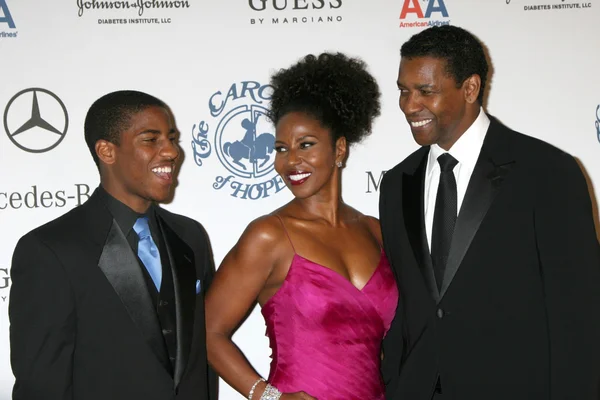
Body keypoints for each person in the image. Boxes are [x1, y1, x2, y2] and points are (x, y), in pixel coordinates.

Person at [379, 25, 600, 400]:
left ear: (470, 88)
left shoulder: (547, 171)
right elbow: (410, 305)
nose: (408, 105)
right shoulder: (398, 182)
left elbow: (579, 314)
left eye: (425, 91)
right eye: (403, 90)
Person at [205, 52, 398, 400]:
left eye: (306, 144)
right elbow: (207, 333)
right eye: (281, 148)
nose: (291, 160)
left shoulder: (376, 231)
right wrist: (268, 397)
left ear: (339, 149)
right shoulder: (269, 235)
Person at [9, 90, 216, 400]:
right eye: (151, 139)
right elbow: (41, 386)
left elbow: (203, 356)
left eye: (171, 138)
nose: (171, 152)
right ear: (107, 151)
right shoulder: (50, 249)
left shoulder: (190, 236)